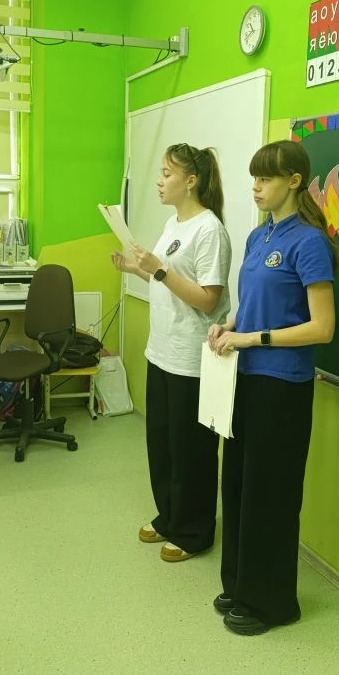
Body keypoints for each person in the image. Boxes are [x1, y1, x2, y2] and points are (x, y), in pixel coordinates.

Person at [208, 140, 337, 635]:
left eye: (266, 179)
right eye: (254, 179)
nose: (256, 188)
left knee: (272, 496)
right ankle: (242, 585)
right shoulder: (258, 235)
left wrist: (251, 338)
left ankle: (274, 603)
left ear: (294, 181)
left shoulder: (309, 242)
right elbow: (250, 304)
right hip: (245, 379)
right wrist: (228, 325)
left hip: (283, 387)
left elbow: (322, 327)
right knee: (240, 485)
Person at [112, 142, 231, 562]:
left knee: (190, 451)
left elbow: (208, 300)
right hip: (161, 351)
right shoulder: (173, 223)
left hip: (191, 358)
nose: (159, 182)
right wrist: (138, 269)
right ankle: (169, 516)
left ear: (191, 181)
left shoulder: (209, 230)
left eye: (167, 174)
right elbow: (169, 284)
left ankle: (194, 531)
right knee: (162, 444)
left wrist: (159, 269)